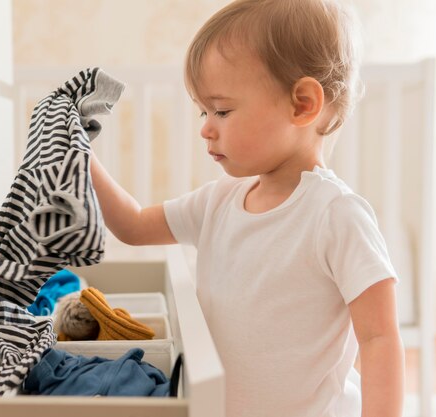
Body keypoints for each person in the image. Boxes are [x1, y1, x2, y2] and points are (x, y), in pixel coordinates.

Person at [90, 0, 404, 416]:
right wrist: (82, 156)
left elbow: (380, 338)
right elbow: (132, 225)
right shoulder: (217, 202)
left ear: (302, 104)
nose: (205, 126)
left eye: (222, 110)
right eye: (204, 110)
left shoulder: (336, 215)